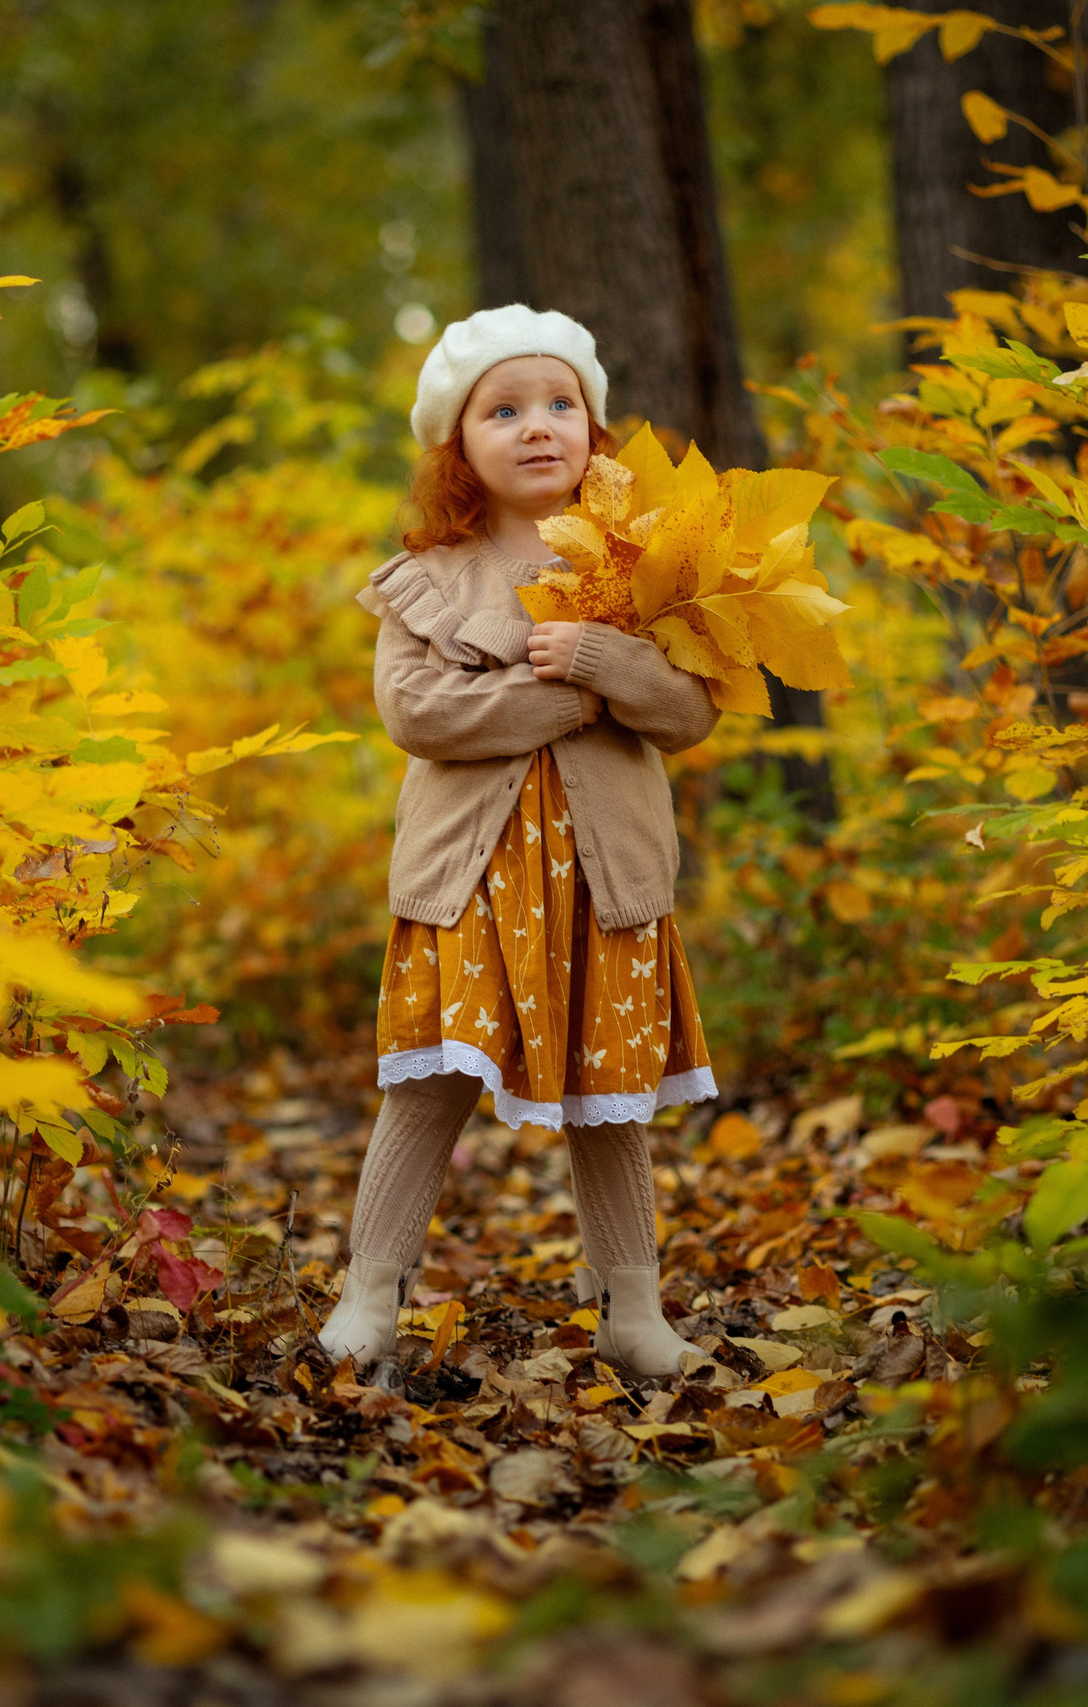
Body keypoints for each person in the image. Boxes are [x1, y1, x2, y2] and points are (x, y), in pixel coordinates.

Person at [317, 305, 719, 1380]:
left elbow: (686, 714)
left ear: (594, 430)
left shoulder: (640, 571)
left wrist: (604, 659)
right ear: (460, 444)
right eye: (503, 410)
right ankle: (371, 1294)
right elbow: (418, 715)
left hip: (603, 876)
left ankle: (632, 1310)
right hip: (474, 879)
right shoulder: (428, 579)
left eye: (560, 405)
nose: (537, 426)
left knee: (611, 1092)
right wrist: (562, 704)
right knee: (430, 1084)